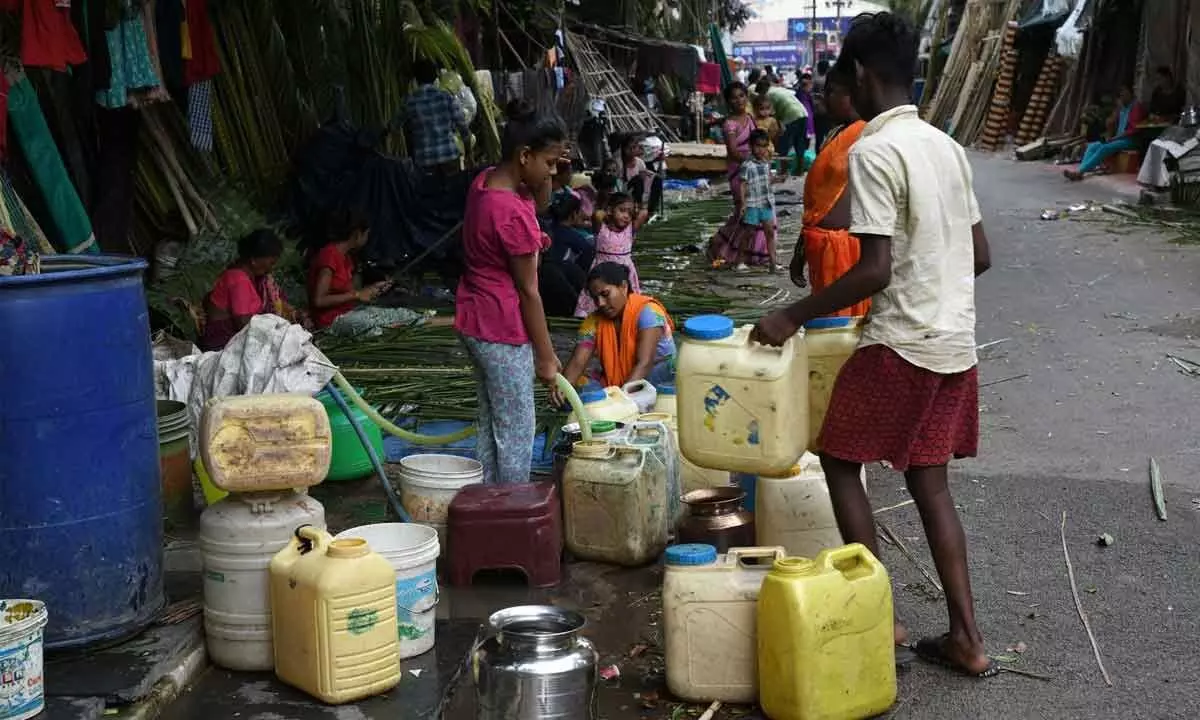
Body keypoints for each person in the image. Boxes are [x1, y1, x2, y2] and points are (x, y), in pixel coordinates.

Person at [752, 11, 995, 678]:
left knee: (836, 460)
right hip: (956, 346)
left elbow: (874, 270)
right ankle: (967, 640)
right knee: (929, 483)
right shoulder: (945, 146)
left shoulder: (873, 150)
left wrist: (791, 315)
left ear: (859, 75)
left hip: (901, 344)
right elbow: (977, 254)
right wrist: (932, 276)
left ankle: (877, 617)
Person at [455, 99, 565, 484]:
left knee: (492, 424)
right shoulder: (512, 213)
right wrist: (547, 359)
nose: (554, 172)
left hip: (472, 319)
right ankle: (512, 509)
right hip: (501, 327)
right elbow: (528, 292)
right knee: (518, 430)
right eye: (550, 163)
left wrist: (544, 173)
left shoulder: (484, 182)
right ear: (524, 155)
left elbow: (541, 202)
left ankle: (487, 501)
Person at [789, 65, 871, 319]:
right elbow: (818, 199)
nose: (824, 99)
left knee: (845, 329)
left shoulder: (870, 135)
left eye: (831, 91)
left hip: (848, 251)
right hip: (820, 246)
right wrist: (800, 249)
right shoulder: (836, 134)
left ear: (854, 94)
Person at [553, 262, 676, 403]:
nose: (601, 303)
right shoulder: (594, 321)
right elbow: (577, 363)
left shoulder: (648, 312)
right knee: (576, 386)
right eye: (595, 298)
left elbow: (645, 362)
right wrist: (563, 389)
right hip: (620, 384)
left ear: (624, 287)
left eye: (605, 294)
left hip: (653, 380)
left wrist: (621, 400)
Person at [200, 229, 300, 351]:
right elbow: (243, 324)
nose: (271, 268)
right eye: (271, 263)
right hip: (223, 344)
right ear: (254, 260)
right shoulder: (239, 279)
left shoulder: (250, 278)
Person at [575, 192, 646, 317]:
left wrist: (632, 209)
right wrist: (609, 211)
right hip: (602, 271)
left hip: (623, 272)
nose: (626, 216)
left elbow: (643, 213)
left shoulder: (630, 229)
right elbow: (597, 214)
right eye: (622, 210)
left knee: (624, 302)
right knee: (599, 296)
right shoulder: (601, 228)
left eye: (630, 213)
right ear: (609, 210)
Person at [402, 58, 472, 174]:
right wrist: (468, 151)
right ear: (435, 77)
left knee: (429, 192)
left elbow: (394, 125)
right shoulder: (446, 97)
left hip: (424, 161)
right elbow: (462, 126)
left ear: (416, 78)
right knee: (454, 191)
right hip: (449, 156)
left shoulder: (410, 101)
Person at [1064, 86, 1145, 181]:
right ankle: (1081, 170)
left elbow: (1133, 130)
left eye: (1125, 94)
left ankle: (1080, 172)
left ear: (1131, 94)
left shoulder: (1136, 107)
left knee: (1104, 148)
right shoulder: (1122, 108)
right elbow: (1110, 123)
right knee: (1092, 146)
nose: (1123, 96)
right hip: (1119, 139)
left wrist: (1115, 138)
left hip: (1130, 140)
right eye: (1121, 95)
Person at [737, 129, 783, 272]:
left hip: (766, 202)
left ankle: (773, 263)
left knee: (769, 232)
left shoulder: (766, 162)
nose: (761, 150)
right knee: (749, 233)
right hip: (752, 204)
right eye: (758, 146)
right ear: (751, 146)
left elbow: (768, 180)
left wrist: (778, 180)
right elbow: (743, 184)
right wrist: (743, 203)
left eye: (764, 146)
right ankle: (740, 261)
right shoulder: (747, 165)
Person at [755, 78, 809, 169]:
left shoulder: (769, 95)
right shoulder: (779, 89)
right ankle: (800, 169)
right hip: (803, 113)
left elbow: (772, 114)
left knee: (783, 144)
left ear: (762, 90)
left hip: (791, 116)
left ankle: (783, 170)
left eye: (760, 94)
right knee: (799, 142)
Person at [721, 82, 755, 217]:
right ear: (729, 102)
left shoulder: (750, 118)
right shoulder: (730, 124)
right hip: (739, 171)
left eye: (742, 96)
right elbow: (733, 152)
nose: (739, 100)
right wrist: (753, 161)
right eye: (734, 98)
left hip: (754, 170)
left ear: (747, 97)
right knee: (742, 208)